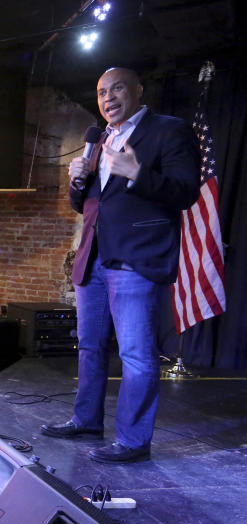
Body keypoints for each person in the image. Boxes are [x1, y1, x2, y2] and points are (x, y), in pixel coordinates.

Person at [41, 67, 200, 464]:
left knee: (135, 353)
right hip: (93, 255)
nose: (108, 98)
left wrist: (139, 174)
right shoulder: (98, 140)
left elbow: (185, 192)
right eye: (100, 93)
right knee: (90, 346)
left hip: (136, 256)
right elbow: (89, 205)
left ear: (137, 90)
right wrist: (78, 182)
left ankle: (132, 440)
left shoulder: (169, 130)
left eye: (116, 89)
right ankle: (86, 420)